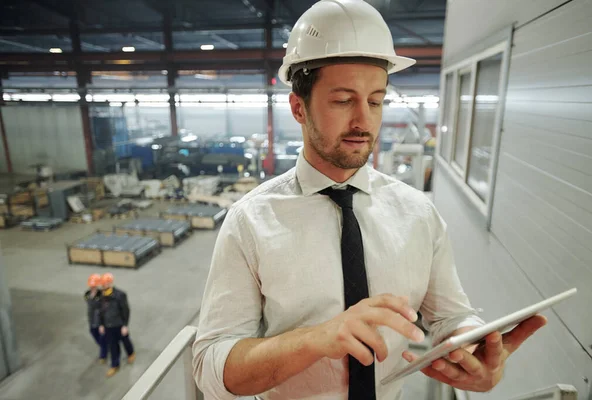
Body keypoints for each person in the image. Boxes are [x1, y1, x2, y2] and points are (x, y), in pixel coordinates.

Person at [192, 1, 547, 399]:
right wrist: (316, 339)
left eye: (376, 101)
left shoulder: (417, 213)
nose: (364, 121)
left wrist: (473, 347)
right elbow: (211, 366)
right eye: (344, 100)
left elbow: (450, 315)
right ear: (298, 107)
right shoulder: (250, 221)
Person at [99, 272, 135, 377]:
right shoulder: (101, 296)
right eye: (103, 284)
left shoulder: (120, 295)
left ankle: (131, 353)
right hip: (108, 326)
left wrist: (125, 325)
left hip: (119, 325)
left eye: (105, 284)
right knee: (113, 346)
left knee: (125, 340)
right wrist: (102, 324)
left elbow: (126, 310)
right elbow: (101, 311)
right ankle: (115, 365)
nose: (103, 286)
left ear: (110, 283)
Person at [84, 273, 107, 364]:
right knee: (93, 333)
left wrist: (102, 324)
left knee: (102, 338)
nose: (92, 287)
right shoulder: (87, 294)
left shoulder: (102, 296)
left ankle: (103, 355)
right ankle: (105, 346)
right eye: (91, 286)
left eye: (94, 286)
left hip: (100, 321)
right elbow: (89, 304)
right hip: (91, 320)